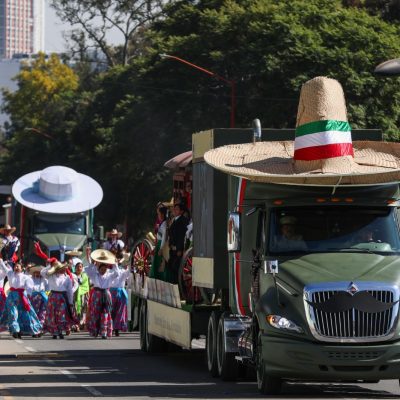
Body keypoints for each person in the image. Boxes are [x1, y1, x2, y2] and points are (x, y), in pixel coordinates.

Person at [85, 249, 122, 339]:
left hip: (106, 294)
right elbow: (89, 270)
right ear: (99, 268)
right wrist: (92, 262)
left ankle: (104, 332)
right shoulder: (95, 274)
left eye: (105, 269)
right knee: (96, 313)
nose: (103, 270)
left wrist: (114, 263)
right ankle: (95, 331)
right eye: (102, 269)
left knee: (106, 313)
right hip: (96, 294)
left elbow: (117, 273)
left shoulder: (109, 274)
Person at [0, 260, 42, 338]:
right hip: (12, 296)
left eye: (17, 266)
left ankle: (34, 330)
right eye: (15, 266)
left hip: (22, 296)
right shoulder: (10, 273)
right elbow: (4, 267)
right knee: (13, 313)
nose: (16, 267)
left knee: (27, 313)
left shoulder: (26, 277)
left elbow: (29, 286)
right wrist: (1, 261)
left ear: (22, 268)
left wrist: (29, 294)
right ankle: (15, 330)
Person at [41, 260, 76, 339]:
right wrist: (51, 266)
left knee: (61, 314)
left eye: (64, 268)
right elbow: (42, 273)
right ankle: (54, 332)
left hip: (62, 298)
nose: (63, 269)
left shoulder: (67, 278)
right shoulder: (51, 275)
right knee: (52, 315)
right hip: (53, 296)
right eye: (61, 268)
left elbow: (70, 291)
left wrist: (70, 302)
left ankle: (60, 331)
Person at [166, 203, 189, 284]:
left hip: (178, 249)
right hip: (172, 248)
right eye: (174, 209)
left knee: (176, 267)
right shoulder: (174, 220)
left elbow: (182, 235)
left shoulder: (183, 221)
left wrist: (180, 248)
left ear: (181, 211)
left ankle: (178, 285)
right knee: (170, 266)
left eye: (177, 209)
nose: (175, 211)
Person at [109, 253, 130, 336]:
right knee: (111, 311)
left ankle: (117, 328)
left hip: (121, 292)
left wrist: (130, 263)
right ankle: (110, 327)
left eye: (117, 259)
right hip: (111, 292)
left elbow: (128, 273)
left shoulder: (122, 271)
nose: (116, 261)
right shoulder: (108, 271)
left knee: (120, 312)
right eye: (115, 259)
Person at [27, 264, 48, 331]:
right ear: (33, 272)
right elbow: (29, 288)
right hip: (34, 297)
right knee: (34, 312)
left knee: (42, 312)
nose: (38, 273)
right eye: (36, 272)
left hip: (43, 297)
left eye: (39, 272)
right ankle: (34, 327)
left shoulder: (44, 279)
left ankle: (40, 327)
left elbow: (48, 287)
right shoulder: (30, 279)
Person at [149, 206, 168, 281]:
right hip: (159, 243)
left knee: (159, 263)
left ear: (163, 214)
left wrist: (161, 248)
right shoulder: (162, 223)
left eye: (158, 214)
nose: (158, 216)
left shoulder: (165, 224)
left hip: (161, 244)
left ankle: (159, 278)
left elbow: (164, 237)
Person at [72, 257, 90, 331]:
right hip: (75, 295)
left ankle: (80, 324)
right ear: (75, 268)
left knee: (83, 309)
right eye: (77, 267)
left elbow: (87, 285)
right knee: (75, 309)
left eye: (80, 267)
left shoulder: (85, 276)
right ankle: (76, 324)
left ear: (82, 268)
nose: (79, 268)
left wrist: (87, 293)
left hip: (83, 295)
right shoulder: (72, 275)